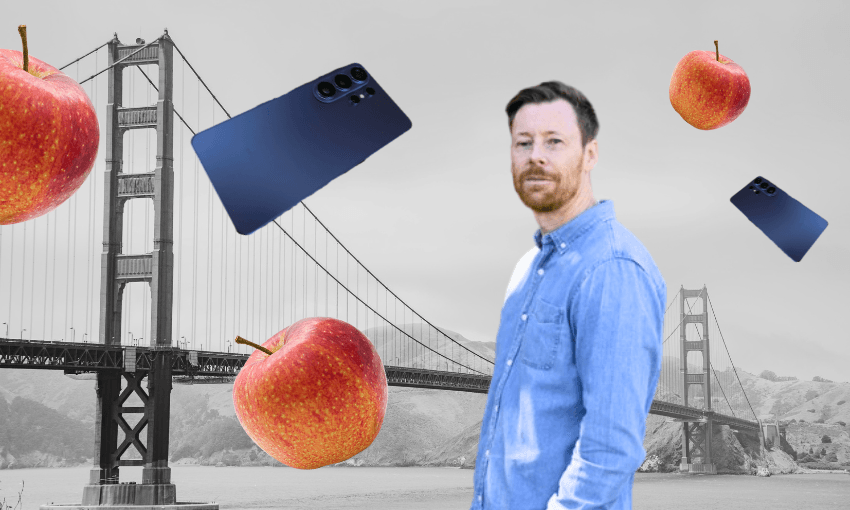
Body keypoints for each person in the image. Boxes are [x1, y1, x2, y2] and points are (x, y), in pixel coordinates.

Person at [470, 81, 667, 509]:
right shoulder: (527, 270)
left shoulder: (613, 269)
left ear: (590, 154)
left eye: (554, 142)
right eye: (523, 143)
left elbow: (611, 447)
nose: (535, 155)